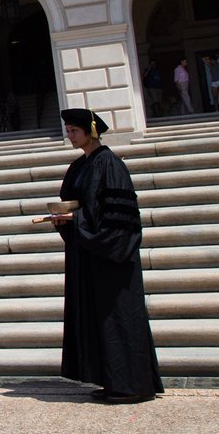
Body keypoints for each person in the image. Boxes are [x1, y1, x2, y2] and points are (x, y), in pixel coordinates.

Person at [51, 108, 162, 404]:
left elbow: (119, 216)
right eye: (68, 130)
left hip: (112, 254)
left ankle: (134, 386)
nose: (69, 135)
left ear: (92, 131)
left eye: (74, 130)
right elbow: (75, 205)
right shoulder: (79, 166)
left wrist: (80, 222)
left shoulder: (110, 164)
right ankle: (111, 380)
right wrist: (66, 220)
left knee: (120, 317)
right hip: (89, 253)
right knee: (100, 319)